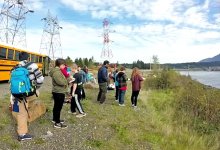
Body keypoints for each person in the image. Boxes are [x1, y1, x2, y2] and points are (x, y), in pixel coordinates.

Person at [10, 51, 44, 141]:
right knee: (35, 95)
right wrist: (36, 88)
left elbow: (11, 83)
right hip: (30, 93)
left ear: (19, 59)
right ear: (28, 58)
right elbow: (40, 79)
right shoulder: (33, 65)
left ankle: (25, 111)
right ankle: (22, 135)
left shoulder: (14, 68)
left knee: (21, 112)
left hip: (17, 94)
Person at [49, 58, 68, 128]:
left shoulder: (57, 71)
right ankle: (57, 123)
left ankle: (55, 119)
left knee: (56, 106)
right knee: (58, 107)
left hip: (57, 91)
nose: (64, 67)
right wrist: (68, 81)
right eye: (63, 65)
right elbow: (61, 82)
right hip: (59, 91)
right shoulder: (57, 72)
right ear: (60, 65)